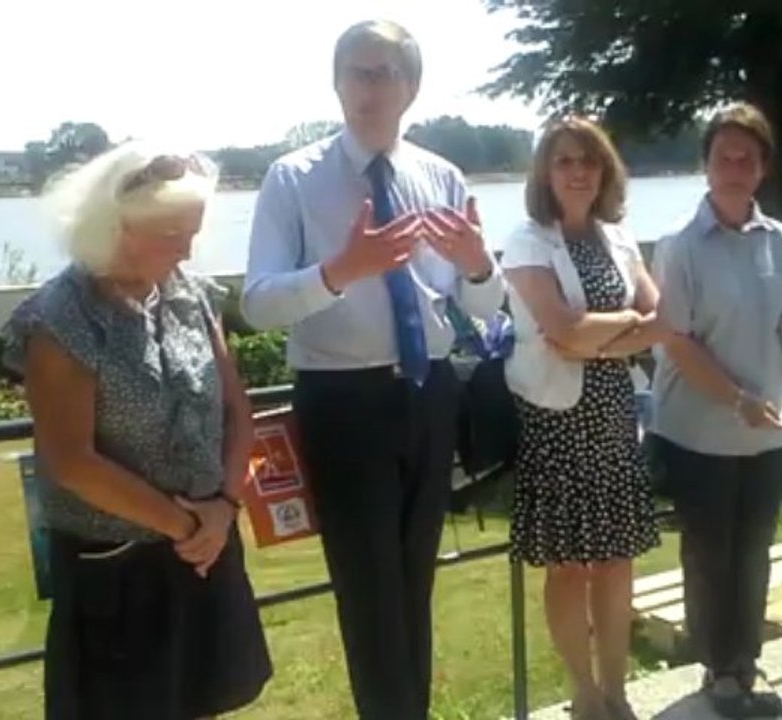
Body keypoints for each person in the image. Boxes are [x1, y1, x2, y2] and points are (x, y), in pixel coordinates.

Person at [241, 20, 505, 720]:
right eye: (357, 72)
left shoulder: (440, 176)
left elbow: (481, 304)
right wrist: (339, 271)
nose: (370, 88)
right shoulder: (293, 178)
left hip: (429, 393)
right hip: (342, 400)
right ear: (335, 83)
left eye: (385, 73)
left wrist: (479, 264)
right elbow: (257, 303)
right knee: (368, 592)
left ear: (411, 87)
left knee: (415, 582)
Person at [3, 142, 271, 719]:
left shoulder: (192, 296)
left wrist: (223, 507)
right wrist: (186, 526)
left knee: (205, 701)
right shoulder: (62, 318)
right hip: (117, 568)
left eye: (193, 233)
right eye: (172, 234)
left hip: (204, 548)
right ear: (115, 226)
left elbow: (236, 411)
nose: (187, 250)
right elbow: (72, 461)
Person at [646, 102, 782, 719]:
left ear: (762, 168)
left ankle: (746, 665)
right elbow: (677, 341)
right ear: (706, 165)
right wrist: (736, 399)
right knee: (709, 555)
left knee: (754, 553)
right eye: (723, 156)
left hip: (768, 434)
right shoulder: (679, 245)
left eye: (746, 157)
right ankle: (717, 670)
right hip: (698, 432)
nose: (734, 166)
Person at [501, 117, 666, 720]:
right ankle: (584, 694)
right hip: (555, 420)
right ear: (546, 173)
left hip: (613, 415)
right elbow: (563, 329)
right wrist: (623, 327)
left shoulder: (618, 238)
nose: (577, 172)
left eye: (588, 161)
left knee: (617, 560)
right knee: (568, 566)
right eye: (564, 161)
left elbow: (661, 318)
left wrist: (593, 339)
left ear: (605, 171)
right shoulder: (527, 241)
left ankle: (616, 690)